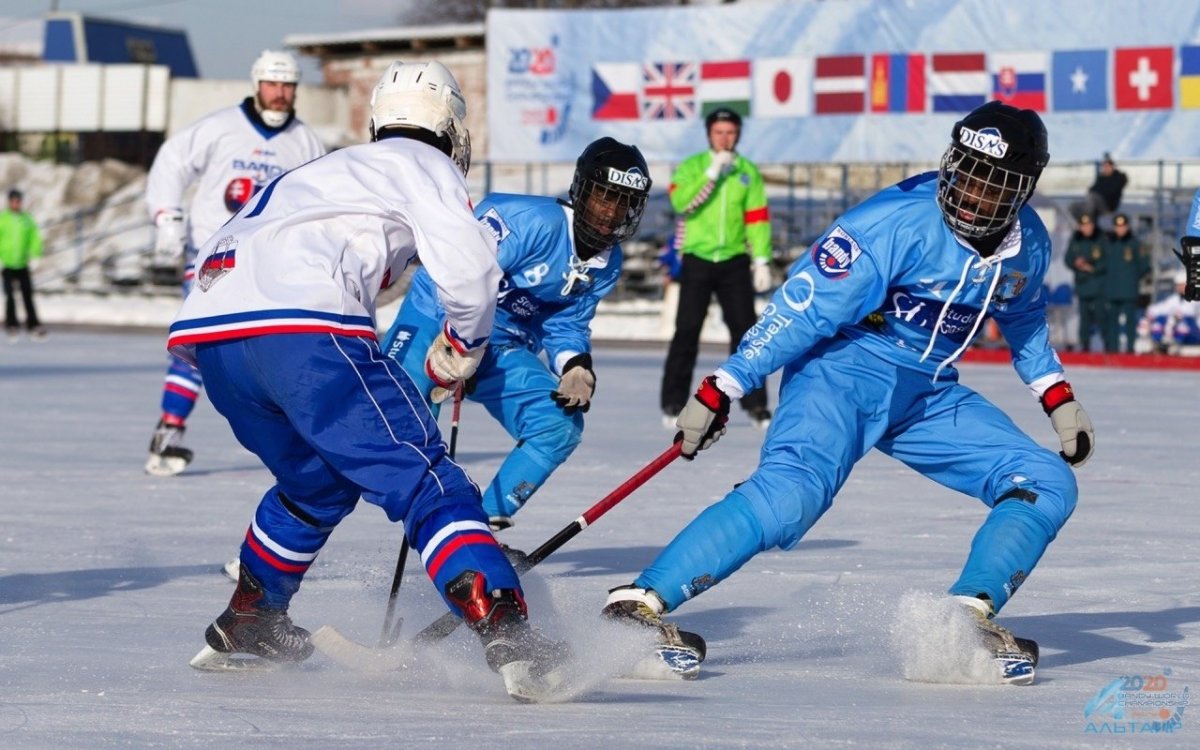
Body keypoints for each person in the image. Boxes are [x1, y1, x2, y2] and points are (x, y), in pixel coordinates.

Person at [602, 101, 1094, 686]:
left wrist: (1056, 394)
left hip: (927, 391)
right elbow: (801, 310)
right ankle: (640, 603)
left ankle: (963, 620)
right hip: (841, 371)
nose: (968, 191)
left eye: (991, 183)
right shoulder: (891, 222)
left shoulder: (1029, 241)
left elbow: (1024, 315)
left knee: (1047, 481)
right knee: (792, 497)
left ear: (1024, 190)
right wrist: (723, 387)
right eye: (963, 170)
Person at [176, 60, 564, 699]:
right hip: (303, 333)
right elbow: (470, 274)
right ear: (448, 125)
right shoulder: (424, 162)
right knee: (427, 478)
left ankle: (251, 618)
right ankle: (506, 628)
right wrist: (464, 344)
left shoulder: (326, 167)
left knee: (316, 483)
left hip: (214, 339)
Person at [381, 137, 651, 531]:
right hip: (437, 317)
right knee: (394, 421)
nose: (612, 212)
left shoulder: (607, 265)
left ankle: (474, 528)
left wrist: (575, 365)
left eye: (625, 202)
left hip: (502, 345)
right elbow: (458, 273)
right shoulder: (529, 221)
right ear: (582, 190)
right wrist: (460, 340)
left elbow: (567, 323)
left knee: (559, 426)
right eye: (604, 196)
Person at [142, 50, 326, 477]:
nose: (280, 94)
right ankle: (169, 430)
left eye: (288, 86)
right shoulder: (219, 127)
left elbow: (318, 200)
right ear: (257, 84)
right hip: (214, 254)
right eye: (273, 84)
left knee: (284, 350)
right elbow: (171, 162)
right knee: (201, 345)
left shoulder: (306, 142)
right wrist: (168, 220)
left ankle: (301, 443)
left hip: (270, 263)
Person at [660, 107, 773, 430]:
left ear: (738, 135)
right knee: (687, 330)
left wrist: (761, 258)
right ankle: (672, 401)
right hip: (697, 258)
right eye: (719, 132)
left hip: (734, 260)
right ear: (709, 134)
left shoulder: (746, 171)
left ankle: (756, 404)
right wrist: (711, 172)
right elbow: (680, 203)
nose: (725, 138)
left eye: (731, 132)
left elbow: (757, 218)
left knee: (746, 333)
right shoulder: (692, 166)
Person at [0, 189, 46, 342]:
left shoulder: (27, 219)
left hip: (22, 263)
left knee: (27, 295)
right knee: (10, 296)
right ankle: (12, 324)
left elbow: (34, 238)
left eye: (18, 201)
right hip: (7, 263)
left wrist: (36, 254)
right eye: (13, 201)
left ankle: (33, 324)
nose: (16, 203)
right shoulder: (3, 219)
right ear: (9, 202)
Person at [1100, 213, 1149, 354]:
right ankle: (1113, 349)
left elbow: (1144, 265)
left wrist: (1132, 277)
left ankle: (1130, 348)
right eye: (1117, 226)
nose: (1120, 229)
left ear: (1127, 227)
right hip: (1112, 289)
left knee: (1130, 321)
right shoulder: (1108, 244)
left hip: (1129, 289)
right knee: (1112, 321)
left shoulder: (1135, 244)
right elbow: (1101, 264)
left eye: (1123, 226)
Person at [1062, 214, 1106, 351]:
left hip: (1098, 285)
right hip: (1082, 285)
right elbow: (1068, 258)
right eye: (1083, 225)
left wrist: (1092, 268)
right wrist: (1076, 263)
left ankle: (1107, 344)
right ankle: (1085, 345)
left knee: (1101, 316)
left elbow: (1107, 260)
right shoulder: (1076, 239)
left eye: (1088, 225)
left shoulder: (1101, 239)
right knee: (1084, 317)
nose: (1086, 228)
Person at [1140, 269, 1200, 352]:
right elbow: (1160, 308)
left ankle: (1174, 345)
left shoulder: (1196, 299)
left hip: (1193, 330)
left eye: (1182, 285)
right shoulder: (1174, 299)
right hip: (1176, 328)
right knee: (1159, 321)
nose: (1180, 287)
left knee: (1181, 325)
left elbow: (1191, 315)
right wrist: (1150, 313)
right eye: (1178, 285)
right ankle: (1157, 344)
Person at [1071, 153, 1127, 221]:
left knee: (1093, 199)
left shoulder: (1118, 178)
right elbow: (1091, 189)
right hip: (1095, 202)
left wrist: (1098, 191)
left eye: (1107, 166)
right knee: (1073, 206)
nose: (1105, 168)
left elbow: (1109, 191)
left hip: (1107, 206)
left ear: (1112, 167)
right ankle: (1080, 223)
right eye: (1104, 167)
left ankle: (1089, 223)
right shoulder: (1101, 178)